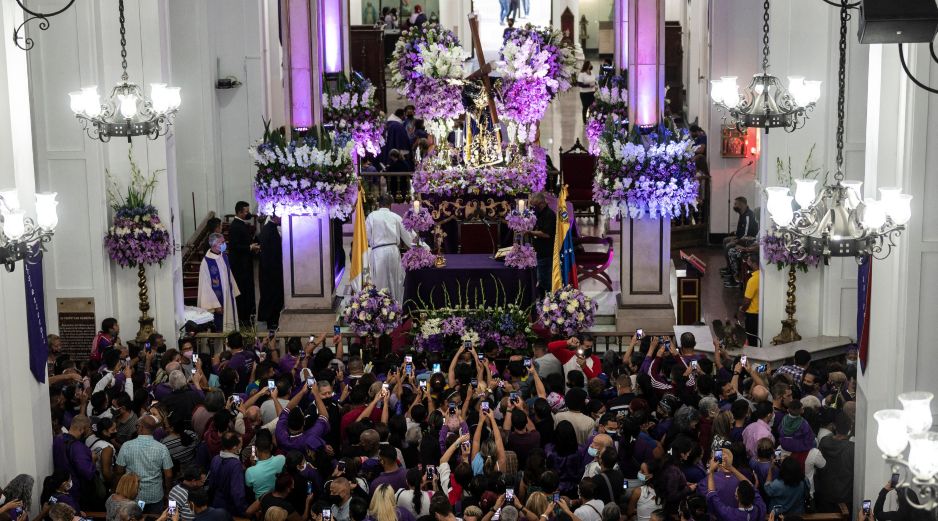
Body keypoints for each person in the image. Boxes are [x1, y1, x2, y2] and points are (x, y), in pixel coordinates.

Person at [366, 194, 415, 302]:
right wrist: (425, 248)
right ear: (390, 205)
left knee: (379, 281)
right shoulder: (396, 217)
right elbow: (409, 236)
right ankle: (396, 308)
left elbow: (367, 236)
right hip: (393, 250)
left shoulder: (372, 216)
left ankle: (381, 310)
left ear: (378, 204)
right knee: (395, 281)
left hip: (378, 252)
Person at [197, 233, 240, 332]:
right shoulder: (206, 262)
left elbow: (229, 275)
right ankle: (221, 347)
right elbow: (205, 286)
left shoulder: (224, 256)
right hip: (218, 302)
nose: (225, 244)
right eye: (222, 242)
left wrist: (233, 291)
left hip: (228, 297)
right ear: (214, 244)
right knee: (219, 328)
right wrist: (215, 305)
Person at [51, 414, 95, 507]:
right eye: (88, 429)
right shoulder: (79, 448)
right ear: (82, 429)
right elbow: (87, 472)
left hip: (59, 487)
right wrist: (93, 460)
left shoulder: (57, 440)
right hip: (75, 491)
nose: (89, 432)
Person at [228, 201, 259, 327]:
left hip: (245, 265)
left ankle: (247, 316)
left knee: (247, 292)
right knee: (242, 292)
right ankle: (243, 319)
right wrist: (249, 247)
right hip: (240, 267)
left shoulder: (241, 224)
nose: (248, 213)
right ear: (240, 212)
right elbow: (235, 246)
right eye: (246, 211)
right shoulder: (235, 226)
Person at [207, 432, 248, 516]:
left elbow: (211, 483)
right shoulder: (235, 465)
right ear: (234, 447)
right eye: (240, 444)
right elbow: (237, 493)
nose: (241, 446)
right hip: (229, 508)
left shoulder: (215, 459)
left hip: (216, 503)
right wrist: (244, 511)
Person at [721, 197, 759, 285]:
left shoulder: (748, 216)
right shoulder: (742, 214)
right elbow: (741, 231)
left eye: (736, 204)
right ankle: (729, 269)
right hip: (743, 239)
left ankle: (736, 277)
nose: (734, 206)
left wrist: (736, 241)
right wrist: (736, 236)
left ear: (742, 204)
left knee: (729, 246)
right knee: (725, 240)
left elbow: (746, 234)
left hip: (748, 241)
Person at [256, 214, 283, 329]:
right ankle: (271, 322)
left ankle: (272, 320)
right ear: (276, 217)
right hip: (271, 271)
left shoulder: (269, 228)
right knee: (272, 296)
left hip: (270, 270)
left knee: (272, 296)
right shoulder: (269, 230)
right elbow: (269, 254)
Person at [527, 192, 556, 297]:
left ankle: (549, 302)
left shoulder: (549, 215)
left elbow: (546, 234)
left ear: (541, 203)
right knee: (540, 281)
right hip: (540, 252)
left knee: (545, 281)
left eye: (535, 205)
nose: (533, 208)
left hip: (546, 253)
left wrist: (530, 232)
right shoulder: (540, 213)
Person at [740, 254, 760, 346]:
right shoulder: (763, 276)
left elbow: (747, 301)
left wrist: (741, 310)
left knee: (751, 341)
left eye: (748, 261)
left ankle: (749, 359)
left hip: (752, 315)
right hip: (761, 314)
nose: (747, 263)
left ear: (754, 264)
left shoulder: (753, 280)